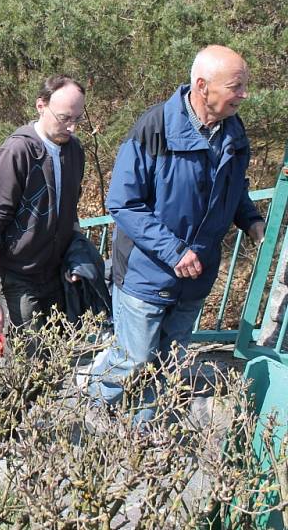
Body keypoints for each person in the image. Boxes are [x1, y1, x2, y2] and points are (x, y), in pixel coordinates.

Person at [85, 45, 265, 424]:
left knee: (168, 364)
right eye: (237, 86)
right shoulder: (154, 128)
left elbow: (233, 188)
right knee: (135, 358)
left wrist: (250, 220)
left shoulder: (234, 130)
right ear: (202, 86)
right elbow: (123, 203)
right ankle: (94, 406)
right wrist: (174, 252)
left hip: (196, 276)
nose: (244, 95)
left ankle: (144, 432)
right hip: (145, 274)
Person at [0, 75, 87, 337]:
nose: (72, 127)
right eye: (64, 118)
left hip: (57, 275)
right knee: (24, 367)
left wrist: (77, 258)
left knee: (57, 362)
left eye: (78, 119)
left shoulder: (75, 151)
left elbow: (70, 214)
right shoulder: (18, 151)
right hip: (18, 278)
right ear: (41, 105)